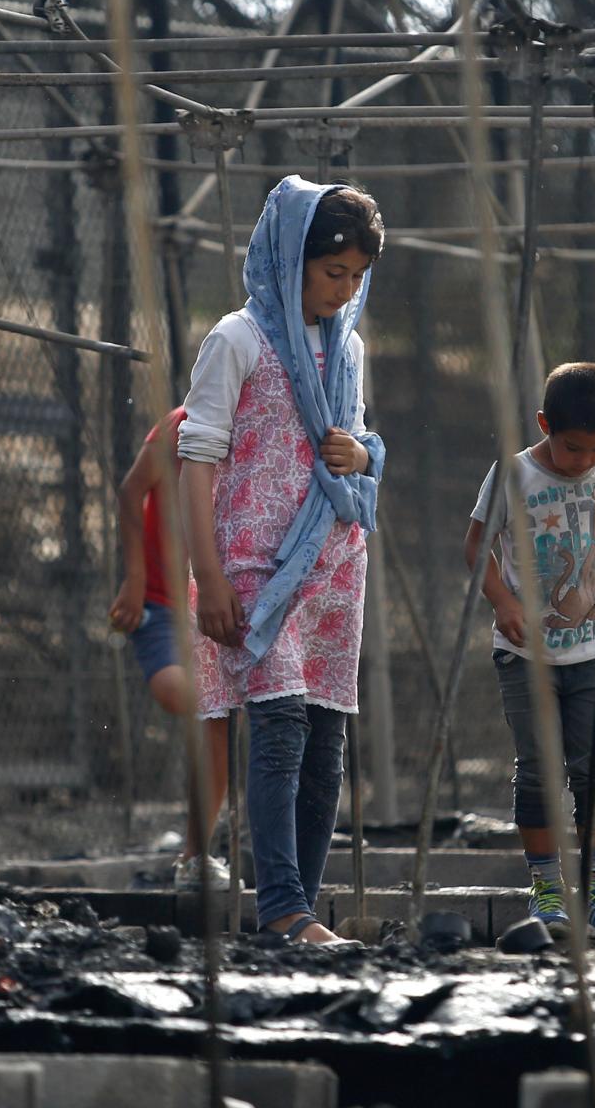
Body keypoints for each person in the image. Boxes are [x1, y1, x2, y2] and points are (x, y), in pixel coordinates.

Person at [177, 177, 386, 947]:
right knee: (277, 729)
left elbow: (359, 451)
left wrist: (360, 452)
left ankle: (299, 908)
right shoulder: (237, 340)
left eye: (356, 278)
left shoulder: (347, 347)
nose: (343, 290)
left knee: (325, 739)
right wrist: (211, 576)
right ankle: (284, 908)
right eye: (333, 272)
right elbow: (196, 459)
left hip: (332, 565)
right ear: (291, 256)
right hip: (256, 569)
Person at [464, 362, 595, 942]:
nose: (585, 461)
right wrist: (503, 602)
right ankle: (547, 889)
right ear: (545, 425)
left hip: (593, 651)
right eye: (573, 448)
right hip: (527, 655)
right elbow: (477, 545)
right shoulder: (514, 475)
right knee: (540, 769)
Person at [109, 406, 231, 889]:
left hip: (214, 602)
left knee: (217, 717)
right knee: (186, 695)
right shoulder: (182, 423)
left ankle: (196, 854)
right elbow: (129, 492)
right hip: (160, 604)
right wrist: (135, 579)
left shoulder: (265, 426)